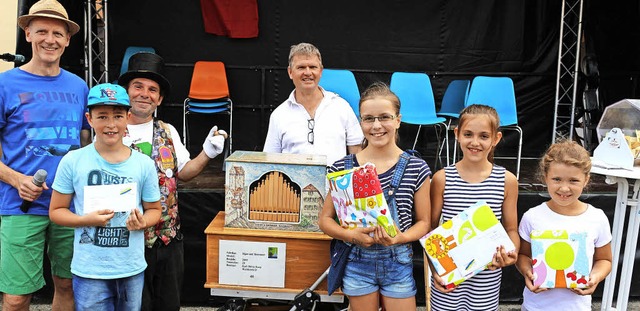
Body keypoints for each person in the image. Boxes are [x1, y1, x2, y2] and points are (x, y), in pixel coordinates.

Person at [117, 51, 227, 311]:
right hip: (127, 238)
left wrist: (207, 153)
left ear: (160, 98)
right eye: (138, 86)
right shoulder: (113, 131)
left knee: (168, 305)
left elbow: (184, 172)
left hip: (168, 238)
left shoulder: (168, 131)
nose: (145, 94)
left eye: (152, 89)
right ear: (126, 91)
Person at [0, 0, 90, 309]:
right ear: (27, 33)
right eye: (41, 31)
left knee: (68, 285)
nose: (49, 39)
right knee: (15, 298)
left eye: (57, 33)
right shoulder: (4, 84)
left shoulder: (79, 87)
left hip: (69, 204)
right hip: (19, 205)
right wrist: (16, 179)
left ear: (67, 40)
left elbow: (86, 144)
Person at [319, 82, 431, 311]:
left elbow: (424, 222)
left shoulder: (416, 168)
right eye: (369, 118)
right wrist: (350, 235)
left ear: (398, 120)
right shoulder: (344, 168)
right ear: (360, 122)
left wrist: (400, 237)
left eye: (385, 117)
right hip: (357, 263)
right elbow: (325, 220)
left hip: (398, 262)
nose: (377, 125)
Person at [49, 83, 162, 310]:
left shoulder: (143, 164)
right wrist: (85, 220)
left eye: (118, 116)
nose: (111, 125)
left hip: (130, 266)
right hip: (90, 269)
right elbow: (56, 212)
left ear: (128, 118)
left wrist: (143, 222)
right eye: (102, 117)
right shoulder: (73, 161)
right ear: (89, 119)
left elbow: (155, 210)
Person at [429, 104, 520, 311]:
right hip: (448, 278)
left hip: (486, 281)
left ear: (496, 138)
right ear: (457, 134)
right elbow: (431, 231)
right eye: (468, 134)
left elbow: (512, 229)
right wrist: (435, 270)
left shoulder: (507, 180)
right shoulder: (442, 178)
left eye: (484, 136)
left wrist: (510, 253)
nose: (475, 142)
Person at [516, 140, 612, 311]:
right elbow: (523, 255)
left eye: (574, 180)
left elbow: (604, 259)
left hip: (577, 306)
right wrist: (527, 273)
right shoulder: (532, 217)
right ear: (545, 177)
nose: (564, 188)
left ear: (586, 179)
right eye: (557, 179)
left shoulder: (597, 218)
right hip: (535, 306)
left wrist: (595, 278)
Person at [263, 42, 364, 165]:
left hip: (334, 183)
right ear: (290, 72)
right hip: (292, 183)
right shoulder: (279, 115)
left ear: (320, 71)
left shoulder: (341, 107)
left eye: (312, 67)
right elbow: (269, 161)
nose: (307, 72)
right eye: (301, 67)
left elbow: (357, 154)